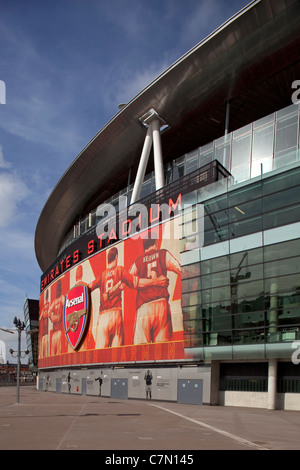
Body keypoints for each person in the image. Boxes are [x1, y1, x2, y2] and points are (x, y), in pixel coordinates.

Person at [89, 247, 168, 348]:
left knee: (100, 352)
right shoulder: (120, 270)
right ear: (116, 257)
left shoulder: (102, 276)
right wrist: (156, 281)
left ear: (108, 259)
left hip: (103, 315)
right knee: (117, 354)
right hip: (116, 313)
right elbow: (134, 282)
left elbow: (89, 286)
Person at [130, 238, 181, 344]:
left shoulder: (138, 262)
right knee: (162, 350)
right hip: (161, 304)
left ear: (144, 248)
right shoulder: (163, 254)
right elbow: (180, 269)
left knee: (141, 350)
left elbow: (128, 281)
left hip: (143, 307)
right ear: (156, 243)